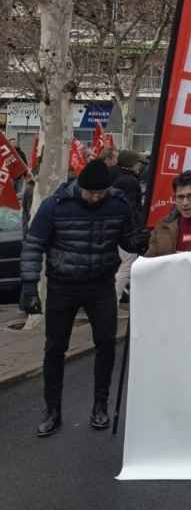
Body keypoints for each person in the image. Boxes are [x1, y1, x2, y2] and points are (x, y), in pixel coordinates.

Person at [18, 159, 149, 437]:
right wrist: (29, 285)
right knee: (54, 348)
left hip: (100, 285)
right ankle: (52, 410)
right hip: (62, 286)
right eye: (91, 193)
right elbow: (34, 244)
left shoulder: (118, 204)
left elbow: (127, 241)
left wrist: (139, 240)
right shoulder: (55, 205)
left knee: (105, 344)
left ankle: (100, 405)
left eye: (100, 193)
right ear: (81, 187)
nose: (95, 198)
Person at [110, 149, 146, 303]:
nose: (140, 166)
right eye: (138, 163)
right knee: (127, 263)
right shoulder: (129, 181)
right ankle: (113, 300)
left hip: (109, 227)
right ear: (131, 164)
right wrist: (136, 228)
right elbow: (131, 208)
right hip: (124, 230)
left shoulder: (111, 173)